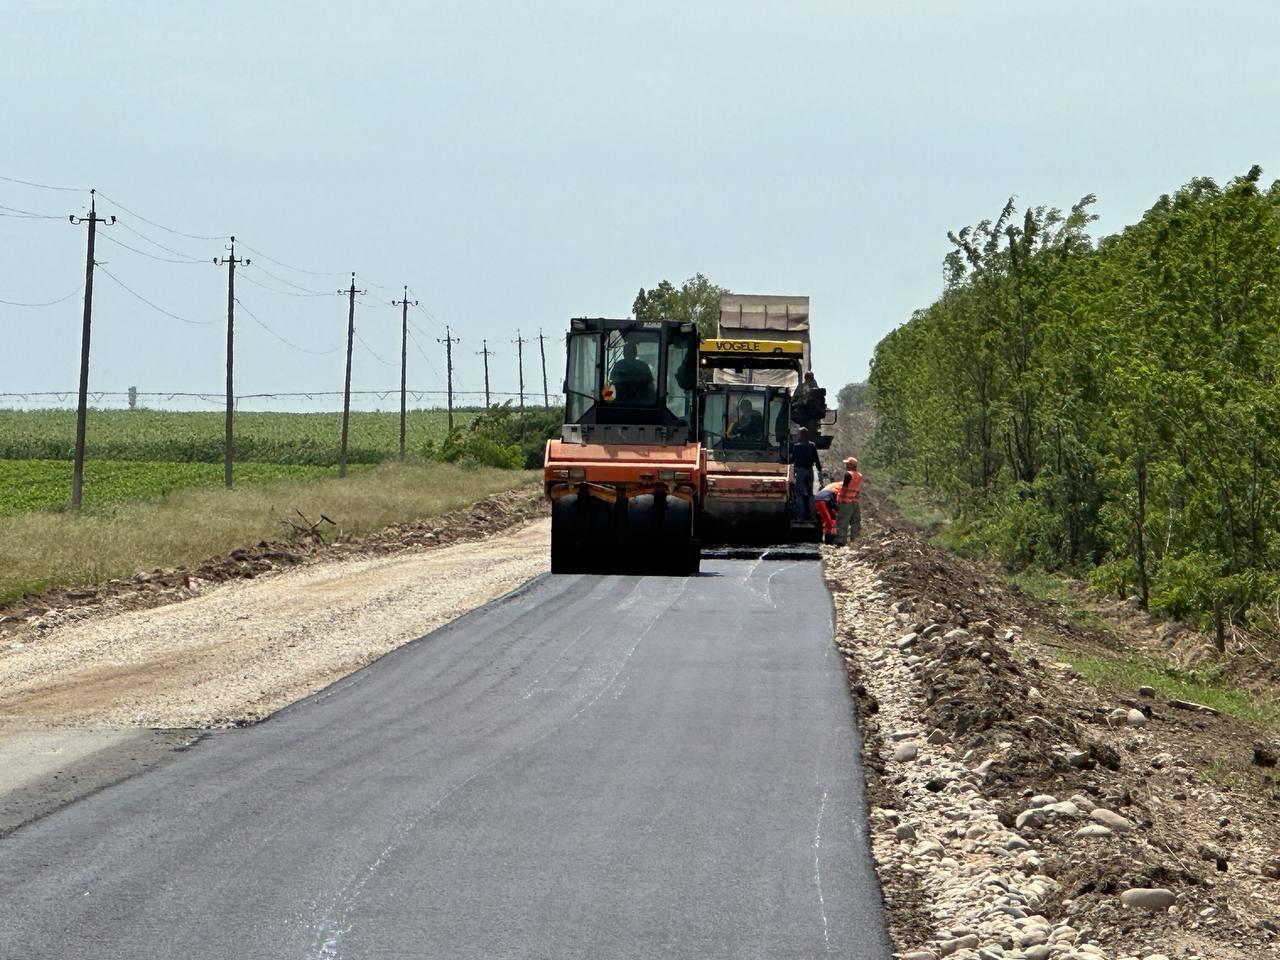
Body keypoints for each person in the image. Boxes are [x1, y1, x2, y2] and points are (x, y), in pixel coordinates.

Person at [791, 427, 821, 520]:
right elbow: (816, 459)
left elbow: (792, 459)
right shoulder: (812, 445)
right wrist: (819, 469)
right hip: (809, 470)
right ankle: (812, 516)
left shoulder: (797, 446)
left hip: (800, 471)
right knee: (810, 493)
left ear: (800, 435)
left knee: (799, 494)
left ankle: (800, 516)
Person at [833, 456, 863, 545]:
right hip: (855, 502)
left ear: (851, 465)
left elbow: (844, 488)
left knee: (842, 521)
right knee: (855, 522)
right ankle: (855, 541)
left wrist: (839, 499)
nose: (846, 465)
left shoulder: (848, 474)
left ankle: (840, 541)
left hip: (845, 502)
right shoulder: (860, 475)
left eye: (847, 464)